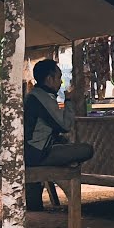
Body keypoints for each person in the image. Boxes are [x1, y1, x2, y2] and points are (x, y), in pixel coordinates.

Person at [23, 59, 94, 211]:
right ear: (49, 79)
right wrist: (68, 100)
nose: (60, 82)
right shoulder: (42, 98)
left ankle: (35, 204)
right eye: (59, 78)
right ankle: (65, 165)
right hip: (37, 154)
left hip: (30, 151)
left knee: (64, 142)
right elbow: (65, 125)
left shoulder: (33, 96)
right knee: (86, 150)